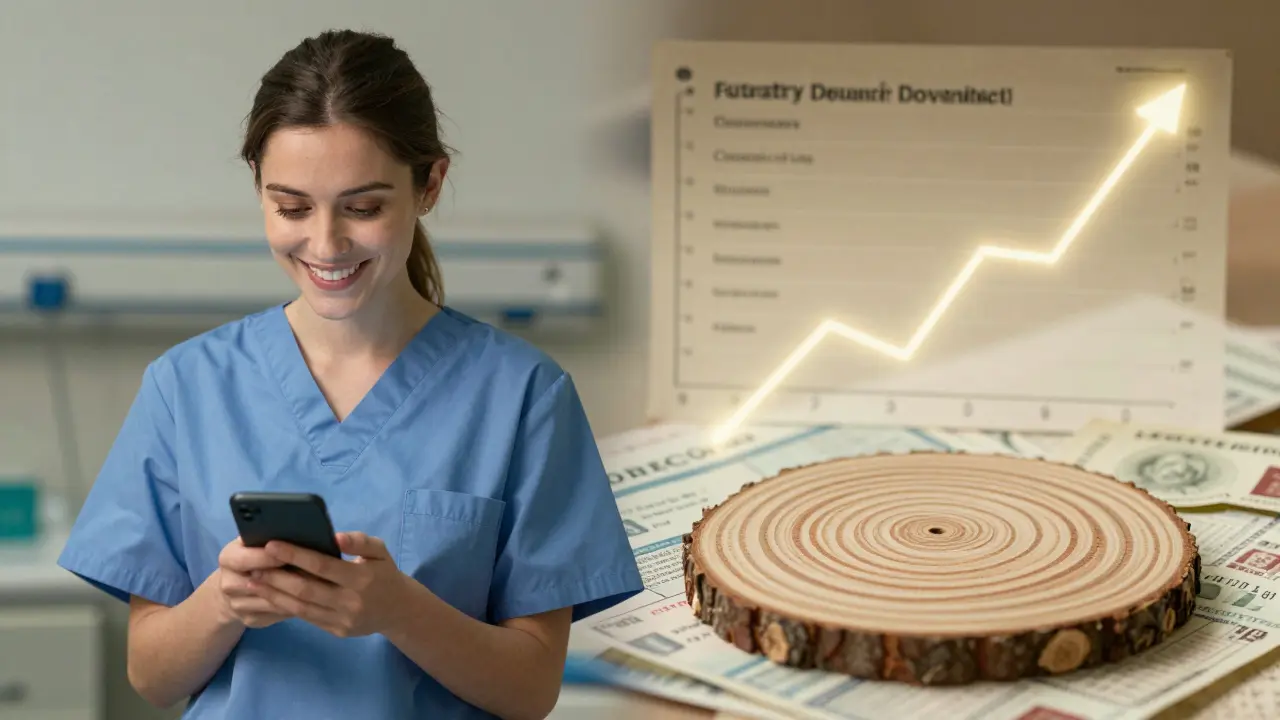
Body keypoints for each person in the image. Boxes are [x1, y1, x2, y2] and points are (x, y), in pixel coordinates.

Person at [56, 28, 643, 720]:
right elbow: (151, 677)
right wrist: (223, 602)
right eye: (292, 207)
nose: (326, 244)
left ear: (430, 184)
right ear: (259, 190)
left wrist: (399, 611)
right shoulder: (187, 387)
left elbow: (531, 690)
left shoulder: (523, 397)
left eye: (363, 208)